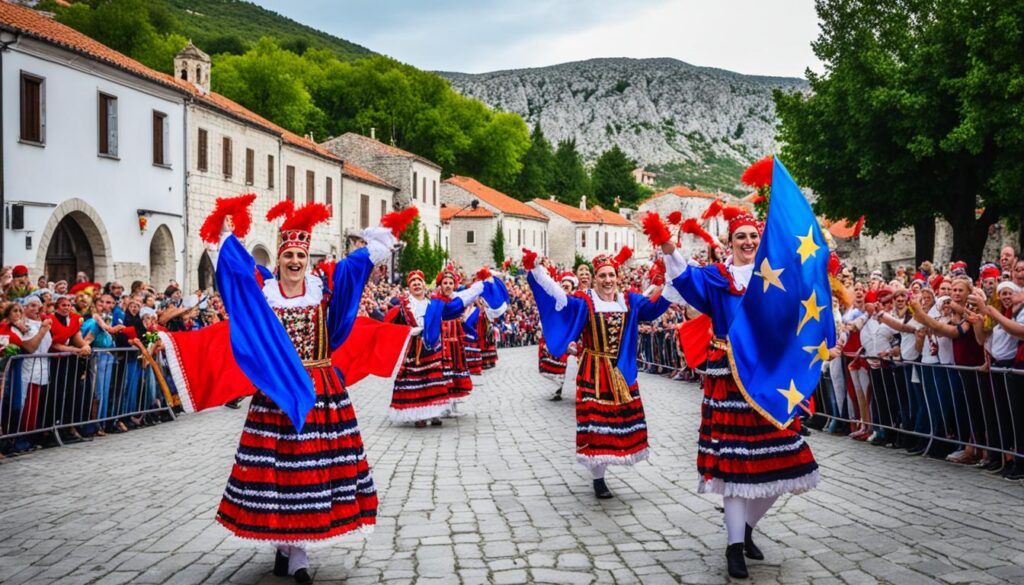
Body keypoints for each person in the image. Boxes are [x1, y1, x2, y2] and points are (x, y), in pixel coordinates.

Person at [159, 198, 406, 584]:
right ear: (280, 257)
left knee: (311, 472)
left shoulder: (322, 290)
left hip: (320, 390)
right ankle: (286, 544)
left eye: (300, 255)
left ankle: (298, 551)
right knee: (280, 474)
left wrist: (378, 244)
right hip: (275, 394)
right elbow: (237, 277)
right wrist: (224, 236)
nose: (295, 262)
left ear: (308, 259)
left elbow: (354, 270)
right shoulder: (265, 289)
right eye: (289, 254)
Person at [654, 211, 819, 580]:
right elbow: (685, 277)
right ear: (730, 243)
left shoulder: (777, 278)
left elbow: (798, 320)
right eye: (740, 237)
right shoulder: (718, 278)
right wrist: (668, 247)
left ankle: (744, 530)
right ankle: (733, 547)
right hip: (729, 376)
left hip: (768, 379)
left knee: (787, 462)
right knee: (733, 466)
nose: (747, 242)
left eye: (753, 236)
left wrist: (818, 346)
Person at [525, 245, 670, 501]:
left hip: (621, 371)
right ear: (594, 278)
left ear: (618, 277)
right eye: (602, 275)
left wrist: (674, 281)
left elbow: (654, 309)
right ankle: (599, 479)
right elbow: (559, 298)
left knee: (619, 421)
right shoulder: (585, 301)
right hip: (593, 370)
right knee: (595, 424)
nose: (607, 280)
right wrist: (539, 271)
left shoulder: (629, 301)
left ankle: (613, 459)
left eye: (611, 275)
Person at [385, 269, 478, 428]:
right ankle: (418, 414)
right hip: (414, 348)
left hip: (433, 346)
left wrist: (476, 292)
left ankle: (434, 412)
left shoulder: (433, 303)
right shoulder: (403, 306)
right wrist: (407, 331)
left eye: (419, 282)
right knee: (418, 380)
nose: (416, 285)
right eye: (413, 283)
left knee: (434, 379)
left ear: (423, 285)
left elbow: (450, 310)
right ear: (409, 287)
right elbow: (390, 326)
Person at [537, 271, 579, 401]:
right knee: (550, 359)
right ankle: (558, 387)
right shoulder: (555, 299)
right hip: (554, 333)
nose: (564, 288)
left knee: (566, 360)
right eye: (563, 286)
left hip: (569, 335)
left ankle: (573, 387)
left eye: (567, 286)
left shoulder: (574, 301)